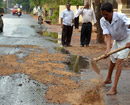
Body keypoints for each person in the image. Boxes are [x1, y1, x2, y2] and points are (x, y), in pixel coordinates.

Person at [100, 2, 130, 95]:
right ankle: (108, 79)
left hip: (127, 38)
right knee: (112, 58)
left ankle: (114, 88)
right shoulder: (103, 20)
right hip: (117, 40)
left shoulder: (121, 16)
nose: (105, 17)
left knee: (119, 61)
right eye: (103, 15)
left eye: (107, 14)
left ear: (112, 11)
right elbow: (108, 35)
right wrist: (108, 49)